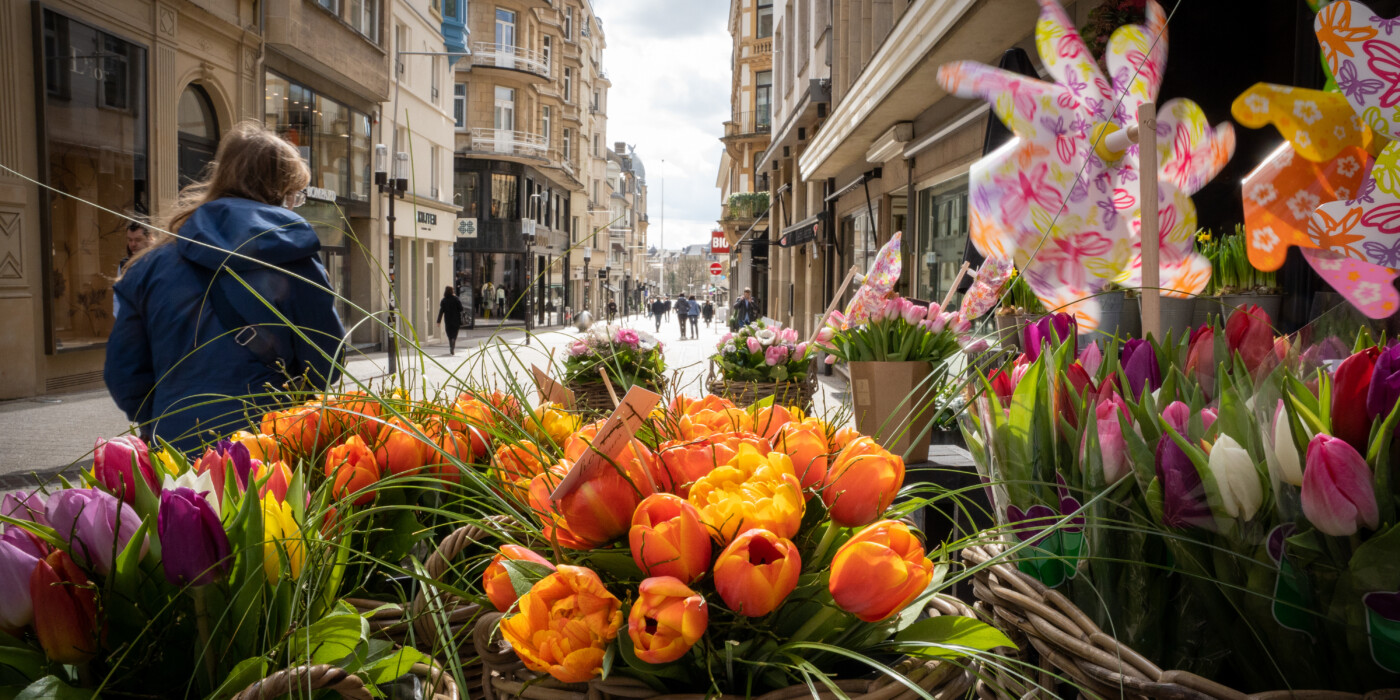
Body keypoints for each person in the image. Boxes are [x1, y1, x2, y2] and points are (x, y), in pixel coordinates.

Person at [105, 122, 345, 454]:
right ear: (280, 191)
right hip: (270, 445)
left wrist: (164, 417)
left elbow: (124, 373)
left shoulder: (150, 266)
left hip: (176, 447)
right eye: (295, 195)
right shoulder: (294, 259)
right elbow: (326, 361)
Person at [437, 286, 464, 355]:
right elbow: (461, 308)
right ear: (452, 291)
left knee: (449, 334)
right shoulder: (456, 299)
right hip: (456, 319)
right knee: (454, 334)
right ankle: (453, 344)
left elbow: (441, 311)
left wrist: (438, 321)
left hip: (448, 319)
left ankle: (451, 345)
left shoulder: (444, 300)